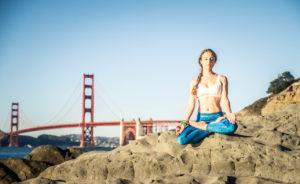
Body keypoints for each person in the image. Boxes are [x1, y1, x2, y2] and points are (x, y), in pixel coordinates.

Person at [176, 48, 238, 145]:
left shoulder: (221, 79)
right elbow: (191, 103)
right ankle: (211, 128)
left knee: (232, 127)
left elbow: (224, 99)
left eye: (211, 59)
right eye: (205, 59)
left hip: (217, 117)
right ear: (200, 61)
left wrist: (229, 114)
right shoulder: (195, 82)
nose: (208, 61)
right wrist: (184, 121)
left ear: (214, 61)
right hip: (201, 119)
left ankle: (205, 128)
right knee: (181, 139)